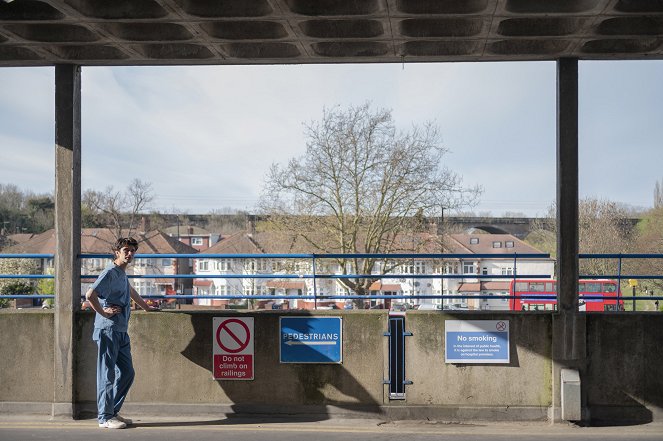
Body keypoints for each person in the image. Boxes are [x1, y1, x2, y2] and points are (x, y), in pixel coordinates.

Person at [85, 237, 157, 429]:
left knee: (127, 373)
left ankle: (112, 412)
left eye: (133, 250)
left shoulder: (121, 274)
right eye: (126, 249)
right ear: (117, 252)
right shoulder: (110, 272)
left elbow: (130, 291)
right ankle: (104, 418)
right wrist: (103, 312)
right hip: (108, 330)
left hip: (121, 331)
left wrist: (147, 308)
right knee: (106, 374)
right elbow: (90, 295)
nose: (130, 253)